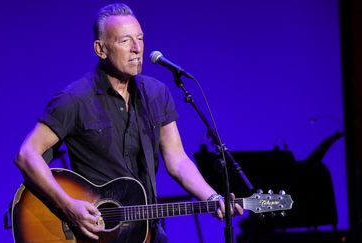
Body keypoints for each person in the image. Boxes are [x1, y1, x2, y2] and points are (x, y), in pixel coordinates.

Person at [15, 3, 243, 242]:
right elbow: (27, 154)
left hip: (146, 232)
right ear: (101, 49)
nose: (137, 49)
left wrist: (212, 197)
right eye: (125, 41)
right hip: (94, 233)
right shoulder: (75, 99)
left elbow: (177, 160)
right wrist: (68, 205)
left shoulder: (156, 94)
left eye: (140, 39)